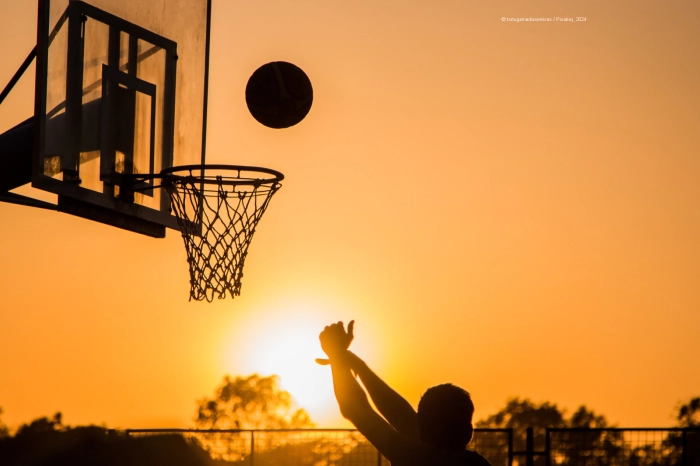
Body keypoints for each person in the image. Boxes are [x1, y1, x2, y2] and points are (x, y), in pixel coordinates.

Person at [317, 320, 491, 466]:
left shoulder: (418, 458)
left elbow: (354, 408)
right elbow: (403, 418)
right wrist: (356, 365)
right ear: (468, 431)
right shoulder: (476, 463)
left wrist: (337, 354)